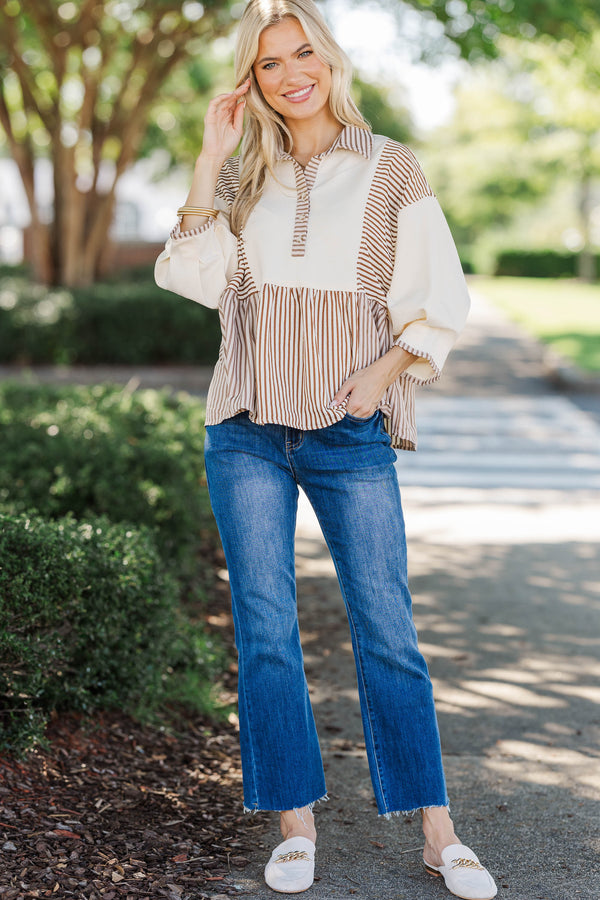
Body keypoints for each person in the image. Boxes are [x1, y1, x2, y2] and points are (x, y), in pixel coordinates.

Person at [155, 1, 497, 897]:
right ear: (252, 81)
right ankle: (294, 825)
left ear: (330, 61)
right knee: (266, 629)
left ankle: (438, 831)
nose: (290, 74)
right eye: (269, 63)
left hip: (348, 430)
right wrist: (209, 158)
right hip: (245, 429)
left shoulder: (390, 167)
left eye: (302, 53)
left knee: (388, 628)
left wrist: (383, 373)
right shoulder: (243, 174)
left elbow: (439, 297)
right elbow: (191, 277)